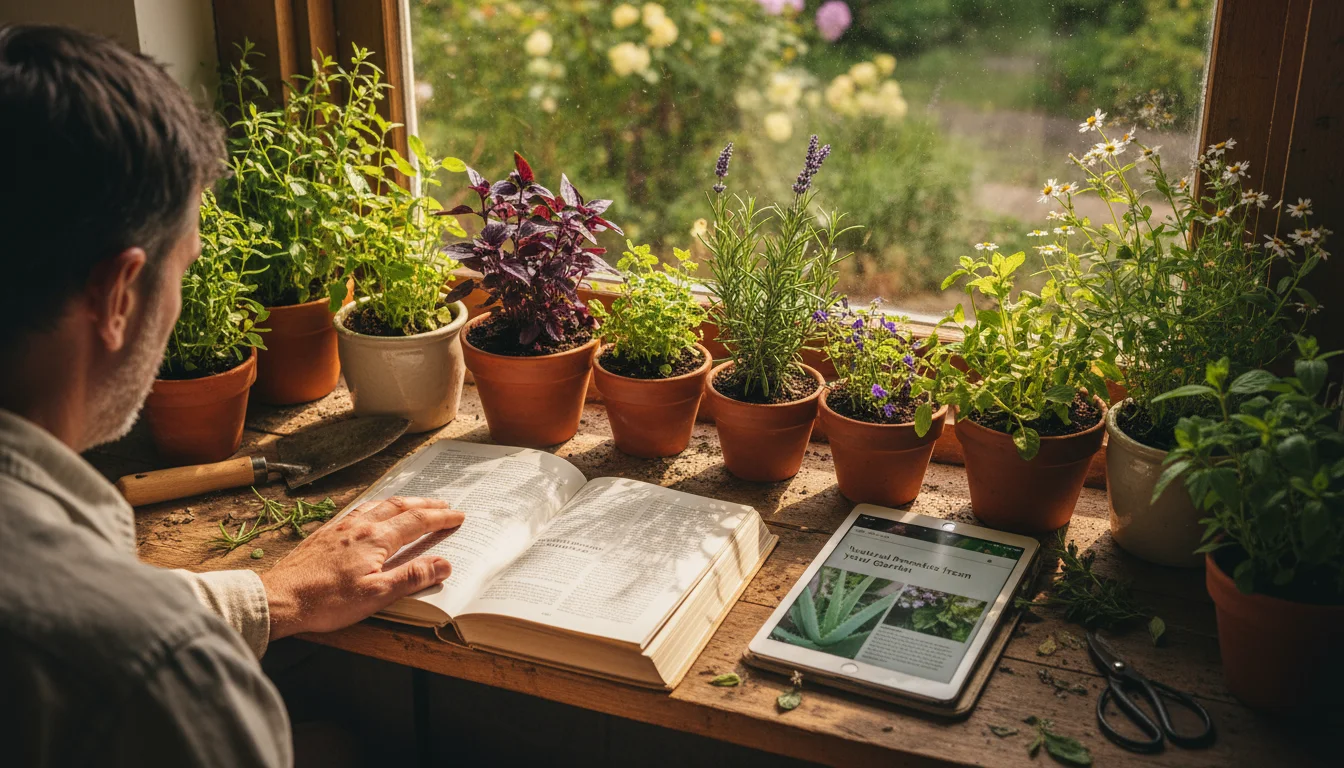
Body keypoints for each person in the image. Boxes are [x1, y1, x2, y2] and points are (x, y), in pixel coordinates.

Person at [0, 24, 465, 767]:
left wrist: (276, 595)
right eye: (184, 269)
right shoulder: (163, 679)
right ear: (119, 294)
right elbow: (110, 642)